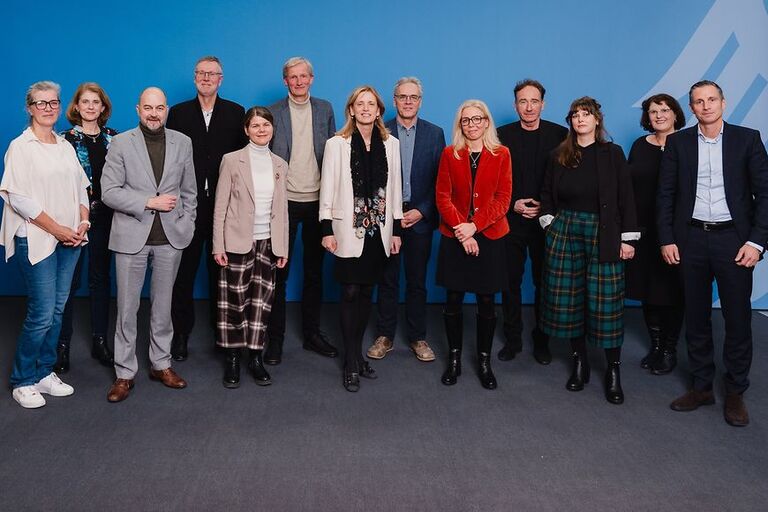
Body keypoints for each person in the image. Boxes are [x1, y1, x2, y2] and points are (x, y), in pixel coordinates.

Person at [658, 80, 768, 427]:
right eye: (698, 102)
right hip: (690, 239)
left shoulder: (747, 139)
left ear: (723, 102)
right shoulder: (678, 143)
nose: (705, 106)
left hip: (733, 241)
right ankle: (702, 386)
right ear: (690, 108)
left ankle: (735, 391)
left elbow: (765, 194)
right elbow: (665, 195)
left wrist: (756, 242)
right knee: (696, 316)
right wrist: (666, 238)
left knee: (737, 318)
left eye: (711, 100)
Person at [539, 97, 639, 405]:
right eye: (575, 115)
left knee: (605, 304)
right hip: (566, 229)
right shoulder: (560, 154)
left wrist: (627, 239)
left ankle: (613, 369)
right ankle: (579, 362)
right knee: (570, 300)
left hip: (604, 232)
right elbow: (547, 193)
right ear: (570, 121)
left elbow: (626, 197)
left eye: (587, 115)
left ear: (597, 120)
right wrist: (550, 224)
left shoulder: (612, 154)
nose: (581, 119)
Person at [101, 87, 197, 403]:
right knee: (128, 309)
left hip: (171, 238)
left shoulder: (183, 142)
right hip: (131, 237)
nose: (153, 113)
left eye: (159, 107)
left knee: (163, 307)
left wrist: (187, 222)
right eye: (147, 107)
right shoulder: (120, 142)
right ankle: (125, 373)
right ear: (137, 109)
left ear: (166, 109)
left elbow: (190, 191)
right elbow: (109, 192)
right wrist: (148, 201)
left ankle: (161, 364)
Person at [0, 81, 90, 408]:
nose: (48, 108)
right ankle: (22, 380)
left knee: (57, 309)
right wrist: (58, 229)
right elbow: (19, 199)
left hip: (71, 238)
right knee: (40, 312)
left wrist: (82, 223)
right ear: (30, 108)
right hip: (37, 238)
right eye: (41, 103)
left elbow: (82, 187)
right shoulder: (21, 147)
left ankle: (43, 372)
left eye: (53, 102)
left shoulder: (64, 145)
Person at [319, 85, 403, 392]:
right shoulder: (336, 144)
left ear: (379, 110)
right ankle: (352, 360)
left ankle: (355, 356)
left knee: (367, 292)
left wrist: (396, 230)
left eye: (371, 104)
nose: (366, 108)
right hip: (346, 230)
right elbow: (327, 187)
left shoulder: (391, 144)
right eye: (360, 104)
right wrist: (326, 229)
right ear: (351, 110)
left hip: (378, 231)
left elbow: (395, 190)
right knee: (350, 292)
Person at [167, 56, 247, 361]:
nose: (206, 77)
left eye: (212, 73)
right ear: (194, 77)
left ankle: (222, 336)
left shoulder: (235, 112)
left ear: (221, 79)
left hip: (223, 208)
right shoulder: (178, 113)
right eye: (201, 73)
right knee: (183, 274)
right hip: (187, 207)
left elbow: (242, 160)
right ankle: (181, 335)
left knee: (221, 275)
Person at [366, 77, 445, 363]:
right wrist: (390, 212)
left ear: (420, 101)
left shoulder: (435, 134)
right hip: (387, 217)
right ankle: (385, 335)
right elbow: (370, 177)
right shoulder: (378, 130)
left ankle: (417, 337)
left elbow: (441, 181)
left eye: (413, 97)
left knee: (417, 280)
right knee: (387, 278)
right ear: (394, 100)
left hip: (420, 217)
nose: (408, 101)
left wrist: (423, 210)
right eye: (402, 97)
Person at [435, 99, 512, 390]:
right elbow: (442, 195)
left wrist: (475, 228)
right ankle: (454, 358)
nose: (472, 124)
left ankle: (484, 360)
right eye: (466, 120)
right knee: (453, 298)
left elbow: (503, 199)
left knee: (487, 301)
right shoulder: (449, 153)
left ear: (487, 122)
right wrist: (462, 232)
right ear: (460, 125)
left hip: (490, 237)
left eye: (477, 119)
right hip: (454, 235)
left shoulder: (502, 154)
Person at [267, 56, 338, 365]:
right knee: (278, 273)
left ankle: (312, 334)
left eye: (303, 76)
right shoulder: (272, 112)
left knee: (314, 272)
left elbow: (334, 155)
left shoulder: (325, 109)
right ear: (285, 81)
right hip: (283, 202)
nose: (298, 81)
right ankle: (274, 340)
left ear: (312, 78)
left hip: (318, 202)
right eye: (292, 77)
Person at [212, 106, 289, 388]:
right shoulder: (232, 161)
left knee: (261, 303)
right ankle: (232, 358)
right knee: (235, 301)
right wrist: (217, 245)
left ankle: (255, 357)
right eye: (255, 125)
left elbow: (282, 211)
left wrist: (283, 248)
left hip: (268, 243)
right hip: (236, 242)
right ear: (246, 130)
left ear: (272, 129)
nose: (260, 130)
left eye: (265, 125)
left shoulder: (280, 164)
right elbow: (220, 206)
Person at [496, 79, 567, 365]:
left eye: (534, 101)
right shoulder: (500, 135)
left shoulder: (560, 135)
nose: (528, 107)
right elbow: (494, 178)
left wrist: (544, 206)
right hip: (510, 219)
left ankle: (542, 340)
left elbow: (566, 179)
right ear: (515, 105)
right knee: (510, 282)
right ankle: (513, 340)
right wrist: (513, 203)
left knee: (544, 283)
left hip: (545, 221)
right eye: (523, 101)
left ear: (543, 104)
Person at [55, 82, 118, 373]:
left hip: (107, 218)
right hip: (73, 219)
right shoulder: (62, 141)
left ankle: (100, 340)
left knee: (100, 279)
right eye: (85, 102)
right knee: (68, 282)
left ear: (103, 108)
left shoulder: (114, 139)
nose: (91, 106)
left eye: (96, 102)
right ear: (76, 107)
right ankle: (62, 344)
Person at [625, 93, 686, 375]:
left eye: (664, 110)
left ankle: (670, 348)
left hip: (675, 232)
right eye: (653, 111)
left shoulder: (687, 144)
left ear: (675, 113)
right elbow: (627, 188)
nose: (659, 115)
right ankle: (656, 345)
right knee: (647, 289)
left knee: (672, 290)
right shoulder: (640, 145)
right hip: (643, 230)